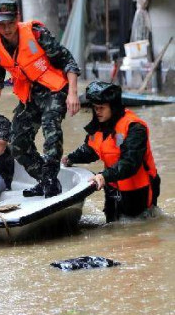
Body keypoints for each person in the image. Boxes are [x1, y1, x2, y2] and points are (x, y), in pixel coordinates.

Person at [0, 0, 81, 198]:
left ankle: (51, 184)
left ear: (17, 18)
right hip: (29, 95)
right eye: (2, 24)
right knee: (17, 142)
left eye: (10, 23)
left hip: (54, 90)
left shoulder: (37, 34)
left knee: (51, 133)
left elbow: (68, 61)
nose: (7, 29)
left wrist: (72, 93)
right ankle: (45, 180)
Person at [62, 81, 160, 222]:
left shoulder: (135, 127)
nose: (97, 112)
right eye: (95, 108)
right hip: (113, 189)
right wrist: (69, 159)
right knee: (112, 227)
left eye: (101, 108)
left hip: (138, 192)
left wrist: (104, 176)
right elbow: (91, 150)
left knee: (138, 232)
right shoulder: (99, 125)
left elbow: (129, 163)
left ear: (113, 107)